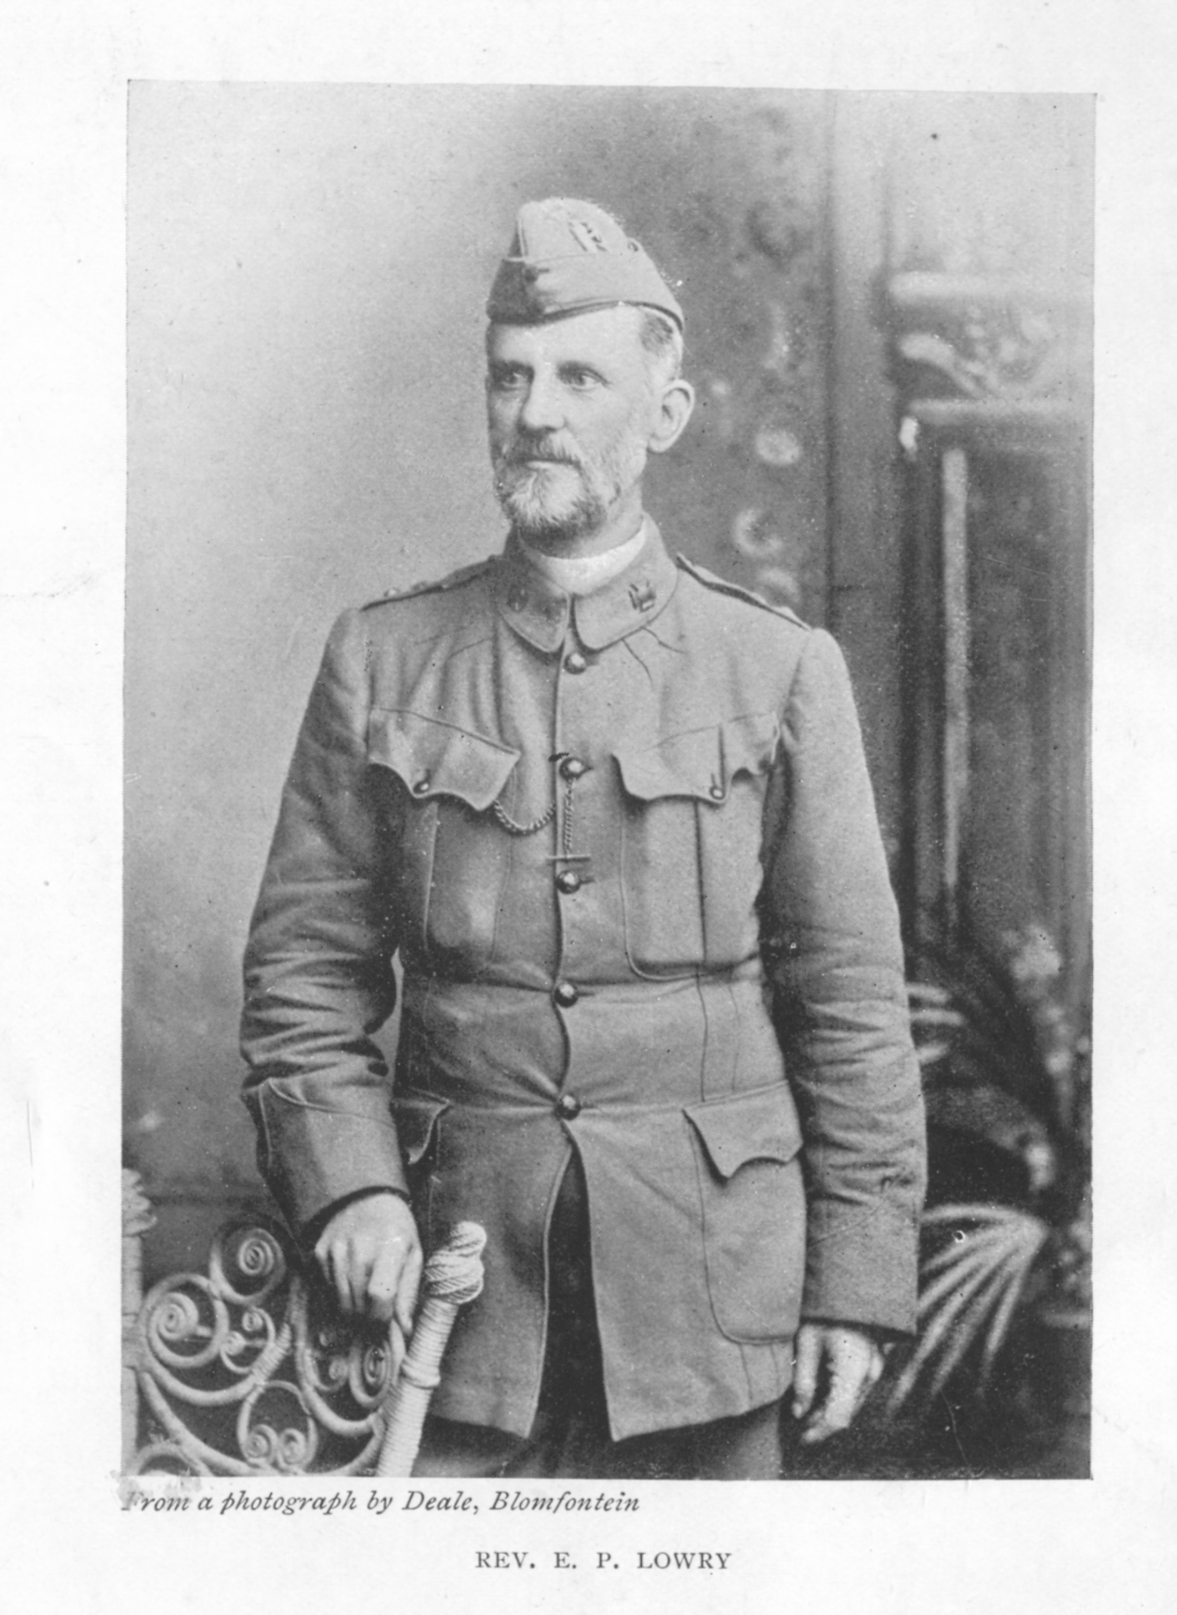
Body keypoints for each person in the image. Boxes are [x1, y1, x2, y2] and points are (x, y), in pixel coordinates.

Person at [240, 197, 926, 1480]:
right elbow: (303, 977)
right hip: (453, 1291)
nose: (536, 412)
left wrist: (857, 1280)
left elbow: (849, 1002)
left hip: (712, 1300)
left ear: (664, 412)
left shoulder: (775, 669)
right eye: (510, 377)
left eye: (578, 377)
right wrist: (353, 1186)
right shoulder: (384, 659)